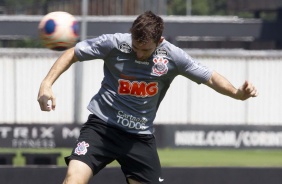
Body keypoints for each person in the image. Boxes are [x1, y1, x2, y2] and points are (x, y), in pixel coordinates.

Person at [37, 11, 258, 184]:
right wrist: (46, 84)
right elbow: (73, 53)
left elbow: (210, 77)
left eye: (145, 50)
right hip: (101, 128)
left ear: (159, 41)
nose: (138, 54)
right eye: (135, 47)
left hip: (139, 138)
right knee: (73, 179)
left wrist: (237, 94)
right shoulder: (113, 43)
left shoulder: (173, 56)